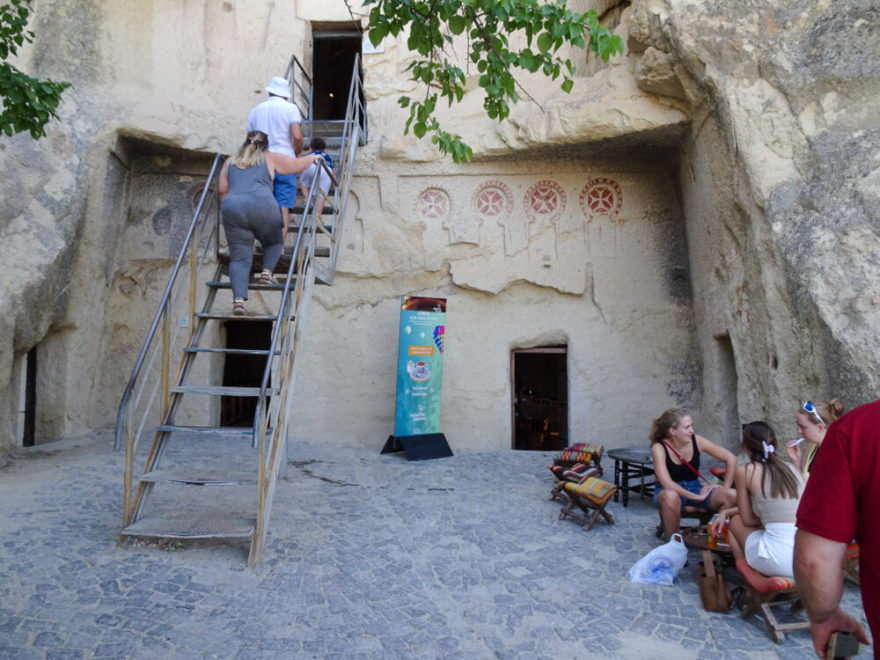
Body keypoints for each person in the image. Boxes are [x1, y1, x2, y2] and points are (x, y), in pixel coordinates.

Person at [794, 399, 878, 659]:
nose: (798, 432)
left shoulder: (856, 431)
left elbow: (814, 560)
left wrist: (823, 616)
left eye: (802, 426)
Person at [218, 131, 324, 315]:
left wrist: (233, 209)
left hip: (232, 208)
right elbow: (297, 165)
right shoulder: (269, 158)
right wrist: (315, 156)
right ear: (266, 145)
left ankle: (238, 301)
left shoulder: (230, 162)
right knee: (274, 241)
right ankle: (267, 273)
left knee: (239, 258)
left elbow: (222, 191)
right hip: (262, 204)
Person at [711, 421, 805, 577]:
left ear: (746, 447)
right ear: (775, 443)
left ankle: (750, 577)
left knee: (736, 520)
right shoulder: (792, 468)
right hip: (806, 556)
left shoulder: (745, 470)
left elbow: (746, 518)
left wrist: (728, 513)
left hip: (779, 560)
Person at [650, 407, 737, 538]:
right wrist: (696, 497)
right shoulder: (659, 448)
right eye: (687, 427)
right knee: (670, 496)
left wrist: (725, 487)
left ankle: (714, 534)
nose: (692, 430)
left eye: (691, 426)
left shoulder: (697, 441)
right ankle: (674, 543)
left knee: (731, 495)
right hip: (668, 491)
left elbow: (731, 458)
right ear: (673, 431)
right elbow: (667, 483)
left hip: (695, 487)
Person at [247, 76, 304, 245]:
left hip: (261, 161)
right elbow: (297, 135)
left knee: (260, 204)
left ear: (269, 92)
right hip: (284, 160)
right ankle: (277, 249)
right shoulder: (291, 108)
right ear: (286, 95)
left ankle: (260, 245)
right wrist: (298, 152)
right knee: (282, 206)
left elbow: (249, 137)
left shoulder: (256, 110)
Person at [786, 399, 846, 475]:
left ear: (820, 427)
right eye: (798, 426)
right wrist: (796, 461)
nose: (799, 431)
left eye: (803, 427)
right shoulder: (812, 447)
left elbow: (811, 484)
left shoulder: (835, 455)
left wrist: (796, 464)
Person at [298, 137, 335, 220]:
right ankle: (317, 216)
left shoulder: (309, 155)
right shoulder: (328, 157)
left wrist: (301, 176)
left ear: (310, 149)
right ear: (325, 150)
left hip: (311, 165)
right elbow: (333, 172)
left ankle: (307, 198)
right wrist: (333, 184)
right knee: (322, 195)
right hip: (325, 169)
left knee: (303, 182)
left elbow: (301, 166)